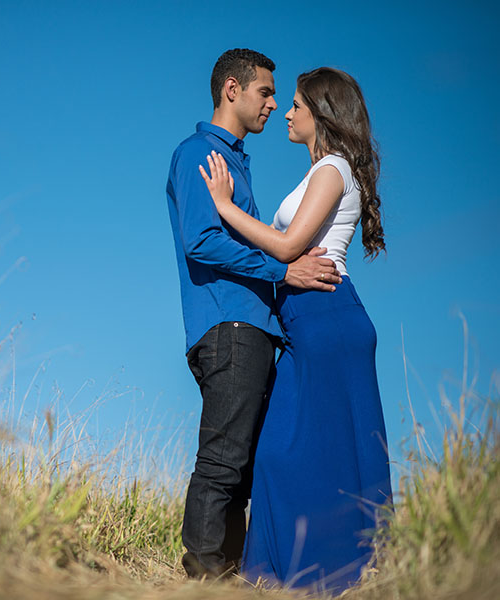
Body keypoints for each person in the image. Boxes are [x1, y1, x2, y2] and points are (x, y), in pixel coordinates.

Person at [199, 66, 393, 593]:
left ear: (322, 113)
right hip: (308, 323)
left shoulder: (332, 167)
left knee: (303, 450)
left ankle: (330, 575)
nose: (286, 112)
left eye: (297, 105)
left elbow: (287, 249)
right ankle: (301, 575)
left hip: (327, 317)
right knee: (287, 450)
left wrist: (223, 207)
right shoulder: (322, 171)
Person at [165, 48, 342, 580]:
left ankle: (229, 570)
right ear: (232, 90)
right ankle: (203, 574)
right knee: (223, 460)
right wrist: (283, 270)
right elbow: (201, 241)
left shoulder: (234, 161)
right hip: (230, 325)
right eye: (266, 93)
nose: (272, 104)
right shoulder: (201, 151)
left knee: (240, 465)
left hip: (252, 328)